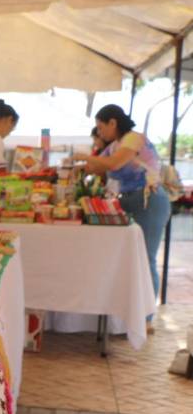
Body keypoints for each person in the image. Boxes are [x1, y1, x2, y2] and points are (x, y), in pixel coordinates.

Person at [75, 104, 171, 311]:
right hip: (127, 200)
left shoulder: (133, 138)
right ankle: (130, 312)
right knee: (131, 258)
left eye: (101, 128)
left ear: (113, 122)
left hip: (149, 199)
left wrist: (83, 157)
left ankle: (146, 316)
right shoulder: (114, 145)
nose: (100, 133)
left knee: (145, 258)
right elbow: (98, 165)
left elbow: (114, 164)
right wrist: (74, 167)